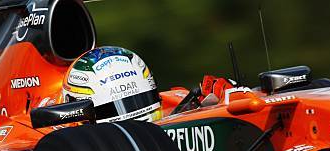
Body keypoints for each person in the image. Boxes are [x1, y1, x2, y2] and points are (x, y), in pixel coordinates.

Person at [62, 46, 235, 123]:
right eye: (111, 108)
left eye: (141, 99)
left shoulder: (175, 101)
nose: (132, 113)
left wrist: (224, 100)